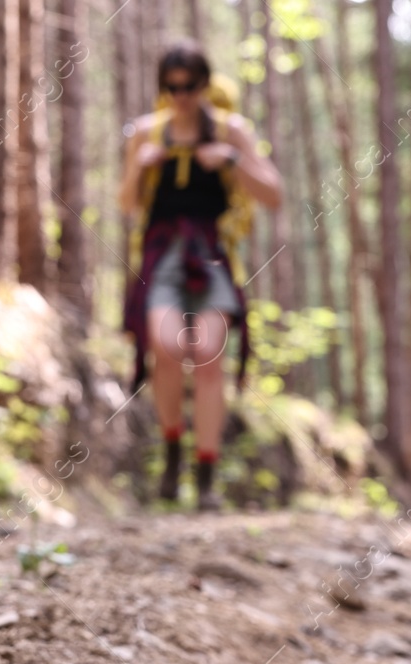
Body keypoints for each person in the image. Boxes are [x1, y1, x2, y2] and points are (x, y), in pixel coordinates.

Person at [120, 42, 283, 511]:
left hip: (211, 256)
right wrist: (141, 164)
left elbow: (273, 194)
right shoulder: (148, 133)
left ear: (205, 86)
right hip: (162, 256)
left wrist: (231, 159)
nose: (181, 95)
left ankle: (206, 477)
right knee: (168, 349)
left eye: (190, 86)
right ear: (162, 88)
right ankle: (173, 451)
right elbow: (127, 203)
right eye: (172, 87)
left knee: (209, 355)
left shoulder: (231, 131)